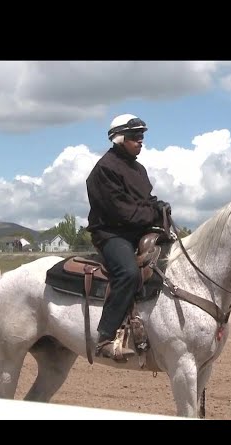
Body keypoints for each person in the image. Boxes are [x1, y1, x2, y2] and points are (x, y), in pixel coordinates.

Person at [85, 113, 171, 361]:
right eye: (135, 137)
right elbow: (120, 211)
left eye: (142, 136)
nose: (140, 141)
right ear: (120, 138)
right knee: (128, 273)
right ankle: (105, 336)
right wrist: (152, 212)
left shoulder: (138, 169)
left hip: (136, 232)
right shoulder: (104, 169)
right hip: (111, 233)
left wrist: (160, 207)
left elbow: (145, 202)